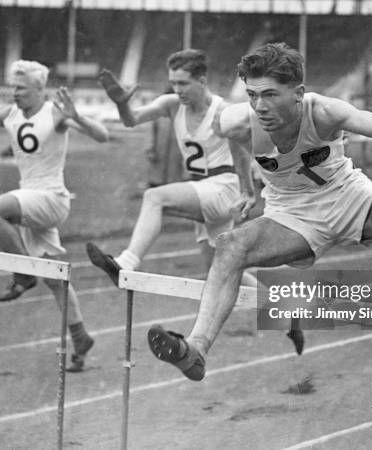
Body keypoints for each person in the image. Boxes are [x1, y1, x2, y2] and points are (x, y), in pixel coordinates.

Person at [145, 43, 372, 382]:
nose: (259, 106)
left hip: (350, 198)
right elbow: (238, 144)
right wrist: (248, 190)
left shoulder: (323, 112)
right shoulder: (236, 121)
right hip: (290, 215)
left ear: (298, 92)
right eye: (252, 95)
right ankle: (196, 350)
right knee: (229, 246)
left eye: (269, 95)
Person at [86, 49, 304, 354]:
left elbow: (242, 150)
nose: (178, 90)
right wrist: (122, 103)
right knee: (223, 269)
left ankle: (126, 263)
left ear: (202, 81)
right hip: (203, 188)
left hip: (225, 186)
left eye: (184, 83)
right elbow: (131, 120)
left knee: (155, 197)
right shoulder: (171, 105)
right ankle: (285, 311)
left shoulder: (222, 111)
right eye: (173, 83)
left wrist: (246, 190)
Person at [0, 60, 110, 372]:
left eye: (21, 88)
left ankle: (23, 275)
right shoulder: (6, 112)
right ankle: (81, 339)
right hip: (31, 200)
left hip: (51, 198)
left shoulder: (55, 112)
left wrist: (76, 116)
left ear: (40, 89)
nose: (15, 93)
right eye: (13, 86)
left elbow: (103, 135)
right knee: (56, 280)